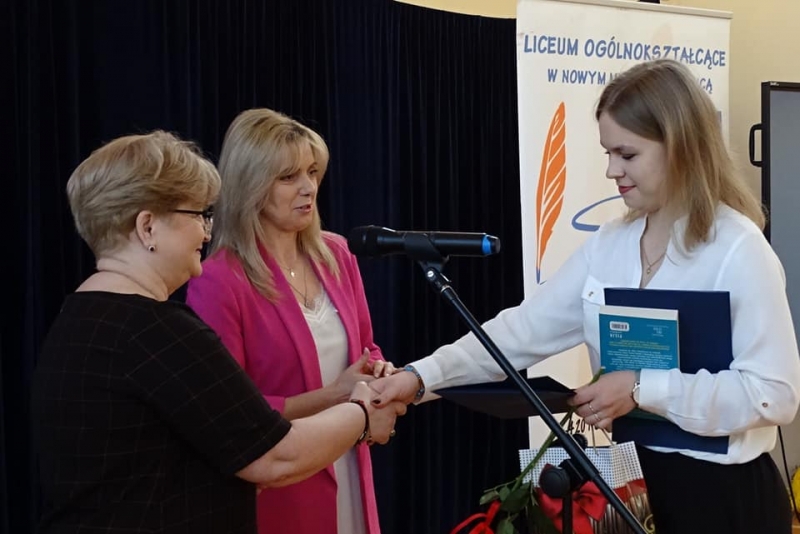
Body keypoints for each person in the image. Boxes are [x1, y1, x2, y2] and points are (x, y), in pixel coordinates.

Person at [370, 59, 800, 534]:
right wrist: (419, 377)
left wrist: (640, 387)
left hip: (730, 501)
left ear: (679, 146)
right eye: (608, 153)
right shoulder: (609, 246)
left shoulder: (738, 249)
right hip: (638, 492)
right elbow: (519, 334)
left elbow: (775, 396)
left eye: (627, 154)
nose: (612, 170)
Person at [31, 131, 406, 534]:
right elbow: (276, 456)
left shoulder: (75, 319)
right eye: (197, 216)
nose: (206, 233)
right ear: (147, 227)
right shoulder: (160, 333)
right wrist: (363, 413)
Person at [186, 108, 392, 534]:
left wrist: (379, 374)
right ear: (251, 186)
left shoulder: (337, 254)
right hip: (284, 488)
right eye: (288, 177)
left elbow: (367, 349)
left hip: (352, 466)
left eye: (313, 172)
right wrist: (336, 395)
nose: (308, 187)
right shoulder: (219, 280)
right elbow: (229, 413)